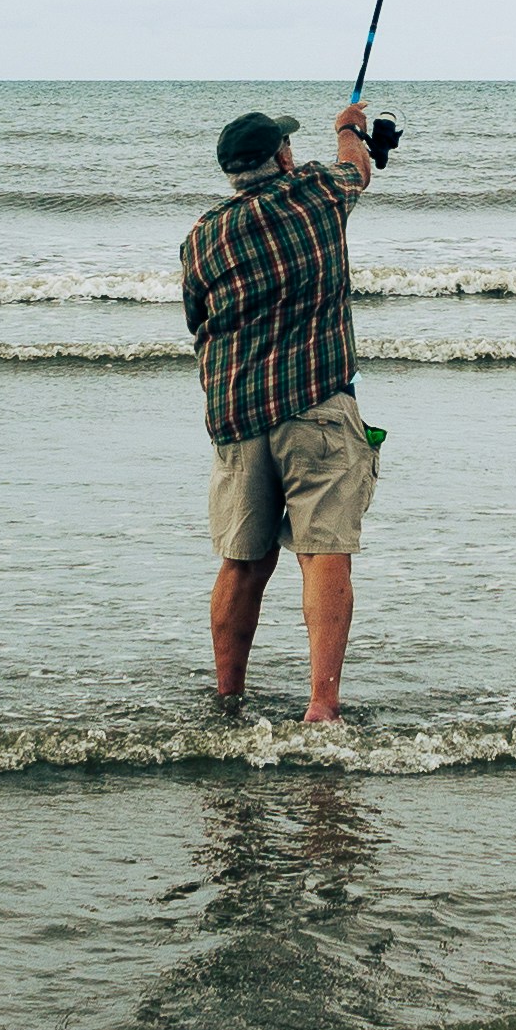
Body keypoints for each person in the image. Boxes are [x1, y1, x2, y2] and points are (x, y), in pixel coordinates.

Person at [183, 100, 380, 721]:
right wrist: (350, 128)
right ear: (283, 157)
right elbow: (358, 169)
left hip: (236, 415)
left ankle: (228, 696)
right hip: (316, 401)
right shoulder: (316, 193)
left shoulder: (200, 237)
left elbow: (196, 319)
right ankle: (322, 704)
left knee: (242, 560)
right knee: (323, 549)